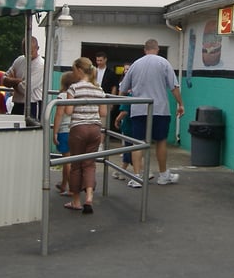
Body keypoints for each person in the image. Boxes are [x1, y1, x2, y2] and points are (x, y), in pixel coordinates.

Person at [119, 39, 185, 186]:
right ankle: (163, 175)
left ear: (145, 49)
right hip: (160, 109)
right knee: (161, 141)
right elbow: (174, 86)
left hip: (139, 109)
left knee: (138, 142)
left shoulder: (135, 64)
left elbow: (123, 89)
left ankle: (137, 177)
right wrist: (180, 104)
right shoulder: (164, 63)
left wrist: (123, 105)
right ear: (157, 49)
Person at [62, 57, 106, 214]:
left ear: (79, 70)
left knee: (76, 165)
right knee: (89, 164)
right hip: (95, 129)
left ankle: (75, 201)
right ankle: (89, 198)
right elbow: (103, 112)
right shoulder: (99, 89)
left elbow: (68, 111)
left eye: (74, 70)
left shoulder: (73, 88)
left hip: (78, 129)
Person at [3, 37, 44, 121]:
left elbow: (25, 89)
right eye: (25, 51)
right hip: (18, 104)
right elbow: (4, 80)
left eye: (31, 51)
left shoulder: (40, 65)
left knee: (30, 131)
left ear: (37, 48)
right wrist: (18, 81)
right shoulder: (19, 60)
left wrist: (12, 81)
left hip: (33, 104)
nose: (28, 54)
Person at [52, 71, 77, 196]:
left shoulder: (63, 96)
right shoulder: (78, 95)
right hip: (76, 129)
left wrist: (55, 132)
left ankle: (69, 186)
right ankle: (64, 184)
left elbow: (59, 114)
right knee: (74, 160)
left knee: (67, 160)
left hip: (65, 130)